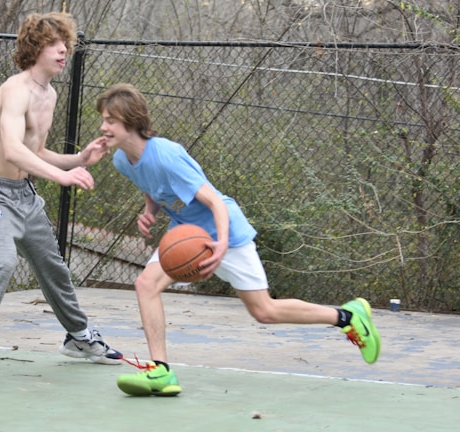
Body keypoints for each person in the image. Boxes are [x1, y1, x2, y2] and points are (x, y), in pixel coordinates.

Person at [93, 83, 381, 397]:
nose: (103, 126)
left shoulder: (168, 155)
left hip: (225, 232)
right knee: (146, 284)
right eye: (104, 120)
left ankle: (348, 317)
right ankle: (161, 371)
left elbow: (215, 202)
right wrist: (150, 211)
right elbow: (153, 187)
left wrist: (221, 245)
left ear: (131, 122)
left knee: (264, 312)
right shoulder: (122, 160)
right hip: (187, 237)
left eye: (110, 120)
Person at [0, 12, 122, 390]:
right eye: (56, 44)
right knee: (2, 260)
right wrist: (63, 177)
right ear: (36, 47)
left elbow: (37, 151)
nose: (63, 51)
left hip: (23, 196)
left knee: (53, 267)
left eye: (66, 44)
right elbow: (12, 150)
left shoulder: (49, 94)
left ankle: (78, 337)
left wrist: (79, 160)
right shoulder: (15, 90)